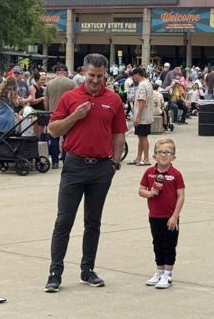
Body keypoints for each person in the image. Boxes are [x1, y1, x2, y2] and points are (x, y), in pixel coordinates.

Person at [44, 54, 127, 293]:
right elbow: (53, 130)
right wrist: (76, 116)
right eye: (91, 75)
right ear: (84, 72)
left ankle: (87, 270)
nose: (95, 80)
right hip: (74, 166)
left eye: (100, 77)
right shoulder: (71, 98)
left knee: (93, 222)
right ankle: (55, 272)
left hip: (101, 168)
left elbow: (118, 133)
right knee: (64, 221)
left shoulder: (113, 100)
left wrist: (114, 163)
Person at [138, 137, 185, 289]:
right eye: (160, 152)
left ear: (174, 157)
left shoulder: (176, 174)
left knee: (169, 245)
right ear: (154, 156)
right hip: (154, 216)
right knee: (157, 244)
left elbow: (181, 196)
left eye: (168, 152)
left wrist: (175, 216)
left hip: (170, 217)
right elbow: (141, 190)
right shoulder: (149, 172)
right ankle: (159, 270)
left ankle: (167, 273)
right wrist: (150, 193)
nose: (164, 155)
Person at [44, 65, 76, 169]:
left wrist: (48, 111)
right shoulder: (71, 83)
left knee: (54, 137)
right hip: (67, 114)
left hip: (53, 114)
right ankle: (66, 160)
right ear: (66, 72)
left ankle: (54, 162)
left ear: (57, 72)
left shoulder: (50, 84)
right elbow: (76, 98)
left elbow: (46, 99)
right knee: (67, 138)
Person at [129, 67, 153, 166]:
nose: (133, 78)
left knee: (143, 137)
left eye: (133, 76)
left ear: (137, 74)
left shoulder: (142, 85)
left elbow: (142, 101)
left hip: (143, 116)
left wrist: (137, 116)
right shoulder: (148, 83)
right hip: (145, 115)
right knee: (141, 137)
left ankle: (146, 158)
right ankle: (138, 158)